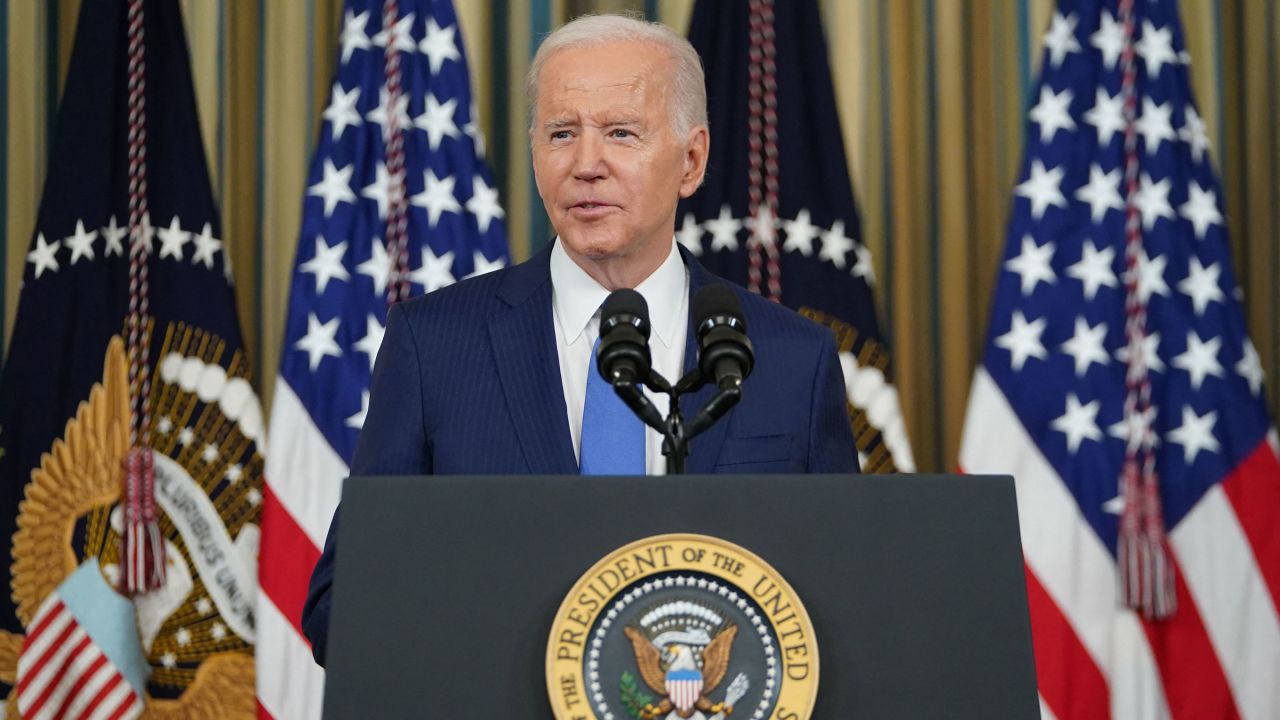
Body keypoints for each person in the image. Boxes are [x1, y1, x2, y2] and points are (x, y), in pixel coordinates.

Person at [301, 14, 859, 666]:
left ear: (693, 159)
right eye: (562, 134)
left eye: (621, 133)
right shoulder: (434, 345)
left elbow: (840, 604)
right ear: (535, 152)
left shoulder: (791, 359)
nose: (586, 164)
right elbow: (343, 606)